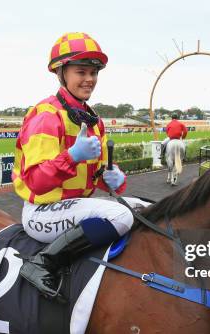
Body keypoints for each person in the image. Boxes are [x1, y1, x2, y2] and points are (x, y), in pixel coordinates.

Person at [12, 32, 149, 299]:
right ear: (61, 73)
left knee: (148, 209)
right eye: (81, 72)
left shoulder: (94, 121)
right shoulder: (46, 116)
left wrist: (112, 177)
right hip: (42, 212)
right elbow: (36, 182)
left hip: (73, 208)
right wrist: (72, 156)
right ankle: (43, 263)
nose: (89, 79)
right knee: (120, 216)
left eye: (94, 73)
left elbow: (96, 173)